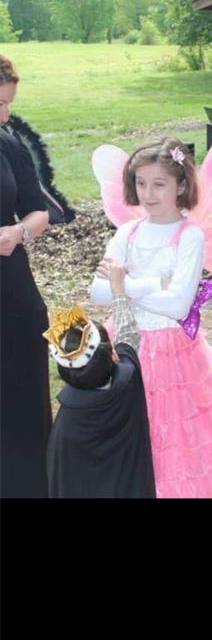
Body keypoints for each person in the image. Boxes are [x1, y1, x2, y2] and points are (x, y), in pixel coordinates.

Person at [90, 138, 212, 498]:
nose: (148, 193)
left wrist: (123, 285)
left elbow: (178, 305)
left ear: (180, 185)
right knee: (129, 434)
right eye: (141, 183)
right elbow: (97, 294)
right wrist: (151, 284)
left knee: (174, 439)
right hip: (126, 345)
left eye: (159, 183)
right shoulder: (127, 233)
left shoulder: (189, 236)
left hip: (172, 354)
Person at [45, 267, 156, 499]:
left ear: (65, 372)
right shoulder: (128, 381)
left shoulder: (66, 428)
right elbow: (128, 334)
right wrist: (118, 289)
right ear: (114, 356)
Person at [0, 55, 51, 499]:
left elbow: (40, 210)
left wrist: (19, 231)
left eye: (8, 105)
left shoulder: (8, 141)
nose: (5, 115)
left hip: (12, 292)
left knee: (22, 395)